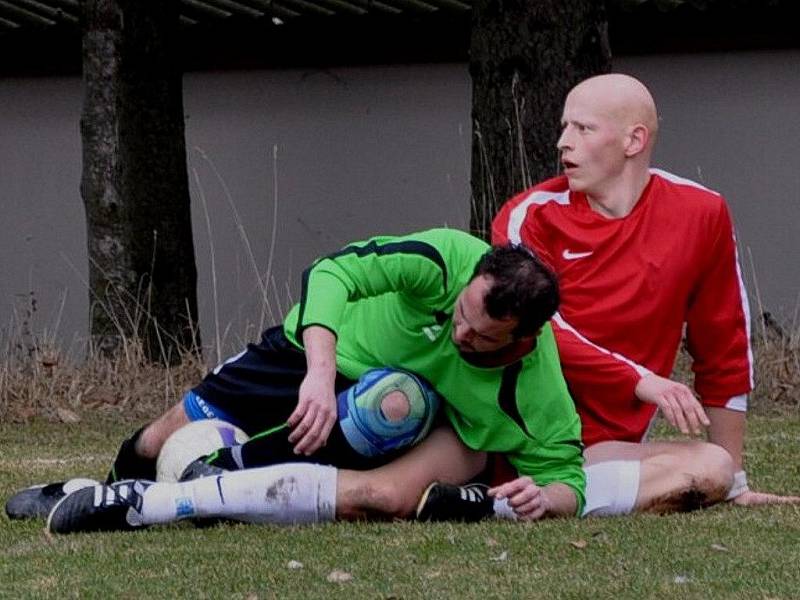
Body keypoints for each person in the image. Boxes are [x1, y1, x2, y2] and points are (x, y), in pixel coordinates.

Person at [17, 228, 586, 533]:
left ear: (522, 339)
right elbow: (332, 270)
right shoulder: (446, 258)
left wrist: (546, 498)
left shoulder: (534, 383)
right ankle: (95, 488)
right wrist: (318, 373)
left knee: (397, 405)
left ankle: (155, 504)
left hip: (382, 412)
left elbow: (567, 479)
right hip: (312, 353)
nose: (460, 333)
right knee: (157, 439)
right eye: (460, 313)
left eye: (481, 336)